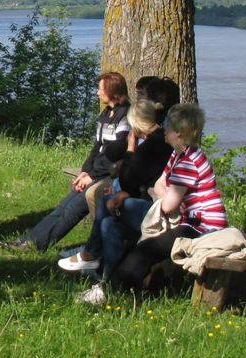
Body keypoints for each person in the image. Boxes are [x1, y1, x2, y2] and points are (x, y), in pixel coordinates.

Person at [79, 103, 228, 305]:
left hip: (202, 228)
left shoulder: (188, 162)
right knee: (110, 225)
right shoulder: (178, 154)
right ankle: (103, 279)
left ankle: (110, 289)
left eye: (168, 125)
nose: (163, 127)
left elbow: (167, 206)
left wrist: (169, 198)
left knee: (146, 248)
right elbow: (160, 186)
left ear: (178, 132)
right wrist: (170, 197)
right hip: (185, 219)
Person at [2, 71, 130, 251]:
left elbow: (114, 153)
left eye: (100, 89)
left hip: (110, 175)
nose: (97, 92)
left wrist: (92, 176)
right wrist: (85, 171)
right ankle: (28, 240)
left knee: (72, 210)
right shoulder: (106, 114)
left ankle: (36, 245)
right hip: (96, 173)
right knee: (63, 207)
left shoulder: (125, 117)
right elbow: (97, 147)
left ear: (112, 91)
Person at [58, 98, 171, 279]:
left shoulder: (152, 146)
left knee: (106, 203)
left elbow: (128, 180)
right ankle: (105, 276)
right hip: (148, 198)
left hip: (156, 209)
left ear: (136, 125)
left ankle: (91, 254)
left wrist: (131, 148)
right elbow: (135, 177)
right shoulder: (158, 139)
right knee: (108, 224)